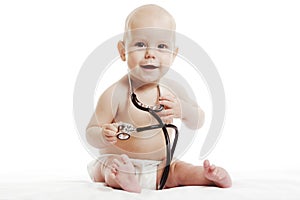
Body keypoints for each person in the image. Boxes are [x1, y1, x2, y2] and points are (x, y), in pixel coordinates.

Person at [86, 4, 232, 193]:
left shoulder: (173, 90)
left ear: (173, 54)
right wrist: (104, 135)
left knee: (179, 170)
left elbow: (198, 120)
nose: (150, 53)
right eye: (140, 44)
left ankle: (207, 176)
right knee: (106, 167)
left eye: (162, 46)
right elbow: (91, 132)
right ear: (123, 51)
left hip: (160, 167)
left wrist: (183, 110)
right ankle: (123, 178)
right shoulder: (116, 93)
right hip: (120, 162)